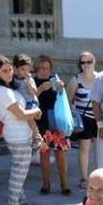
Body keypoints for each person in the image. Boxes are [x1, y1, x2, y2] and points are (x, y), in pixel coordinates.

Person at [0, 54, 42, 205]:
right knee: (19, 172)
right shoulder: (2, 91)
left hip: (21, 135)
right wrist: (36, 112)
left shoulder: (8, 88)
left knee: (20, 171)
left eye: (10, 69)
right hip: (17, 136)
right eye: (4, 70)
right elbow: (20, 114)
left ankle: (21, 200)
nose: (9, 73)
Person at [32, 55, 70, 195]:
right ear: (36, 69)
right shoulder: (33, 81)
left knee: (60, 154)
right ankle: (46, 184)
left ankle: (64, 184)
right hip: (41, 123)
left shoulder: (55, 79)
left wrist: (61, 88)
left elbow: (63, 98)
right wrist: (41, 88)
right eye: (41, 68)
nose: (45, 71)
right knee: (45, 154)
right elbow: (30, 99)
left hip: (56, 122)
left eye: (47, 68)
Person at [67, 51, 98, 189]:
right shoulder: (75, 80)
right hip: (83, 117)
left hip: (98, 117)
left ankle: (99, 176)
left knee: (99, 149)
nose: (86, 65)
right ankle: (84, 178)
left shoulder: (100, 78)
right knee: (84, 148)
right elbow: (68, 101)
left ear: (94, 62)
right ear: (79, 64)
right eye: (83, 62)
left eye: (89, 61)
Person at [12, 54, 41, 154]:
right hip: (21, 103)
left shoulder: (29, 79)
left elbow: (34, 92)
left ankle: (37, 137)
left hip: (30, 101)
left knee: (29, 118)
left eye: (27, 69)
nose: (25, 72)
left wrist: (28, 81)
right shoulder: (13, 79)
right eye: (22, 69)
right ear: (15, 68)